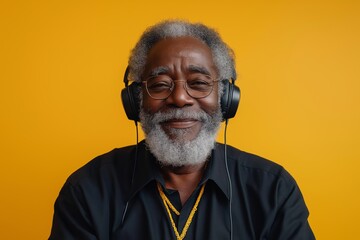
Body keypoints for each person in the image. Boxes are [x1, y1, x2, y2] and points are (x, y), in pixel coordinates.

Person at [49, 20, 315, 240]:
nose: (179, 98)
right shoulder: (87, 190)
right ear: (136, 99)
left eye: (198, 82)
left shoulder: (274, 190)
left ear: (225, 97)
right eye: (160, 84)